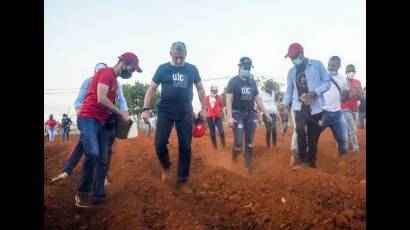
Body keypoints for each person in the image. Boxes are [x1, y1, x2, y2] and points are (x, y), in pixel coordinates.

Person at [74, 53, 141, 208]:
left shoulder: (116, 83)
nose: (131, 72)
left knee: (103, 158)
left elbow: (117, 102)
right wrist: (120, 113)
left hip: (105, 122)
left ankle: (99, 194)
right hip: (90, 118)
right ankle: (82, 192)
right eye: (132, 68)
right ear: (124, 63)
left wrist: (121, 117)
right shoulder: (104, 74)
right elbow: (101, 99)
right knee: (92, 153)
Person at [141, 41, 206, 193]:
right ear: (170, 54)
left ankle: (182, 180)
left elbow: (200, 89)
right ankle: (165, 165)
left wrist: (204, 108)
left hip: (185, 112)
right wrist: (146, 109)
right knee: (159, 143)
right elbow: (152, 88)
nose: (178, 60)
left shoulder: (192, 69)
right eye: (176, 57)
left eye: (181, 57)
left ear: (186, 55)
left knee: (185, 146)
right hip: (165, 111)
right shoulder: (163, 69)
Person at [52, 62, 129, 187]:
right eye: (97, 72)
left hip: (107, 120)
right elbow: (78, 101)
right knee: (87, 146)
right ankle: (68, 171)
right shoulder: (88, 81)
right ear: (94, 72)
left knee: (106, 150)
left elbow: (122, 100)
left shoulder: (116, 82)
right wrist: (84, 115)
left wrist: (124, 115)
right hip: (90, 118)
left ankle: (102, 177)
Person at [279, 43, 331, 168]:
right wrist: (284, 103)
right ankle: (302, 158)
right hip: (299, 106)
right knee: (300, 130)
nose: (292, 60)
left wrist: (314, 93)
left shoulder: (317, 65)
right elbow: (289, 91)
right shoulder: (291, 72)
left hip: (315, 106)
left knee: (312, 136)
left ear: (301, 54)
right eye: (291, 58)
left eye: (294, 57)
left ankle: (311, 161)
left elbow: (328, 83)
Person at [226, 57, 272, 173]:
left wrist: (265, 113)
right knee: (238, 142)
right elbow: (228, 101)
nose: (247, 70)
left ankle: (247, 167)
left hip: (250, 114)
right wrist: (229, 117)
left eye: (248, 68)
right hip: (237, 114)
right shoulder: (233, 82)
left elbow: (257, 99)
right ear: (239, 67)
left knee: (250, 143)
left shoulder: (252, 82)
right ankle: (234, 160)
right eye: (245, 67)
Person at [320, 56, 349, 155]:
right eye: (329, 65)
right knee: (312, 136)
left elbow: (345, 96)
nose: (330, 67)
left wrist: (346, 94)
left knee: (343, 139)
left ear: (339, 66)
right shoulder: (322, 77)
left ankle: (343, 161)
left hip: (337, 114)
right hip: (322, 113)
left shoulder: (343, 80)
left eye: (333, 65)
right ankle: (307, 157)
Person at [341, 64, 362, 152]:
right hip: (345, 108)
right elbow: (340, 97)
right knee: (353, 128)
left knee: (347, 128)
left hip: (354, 109)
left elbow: (360, 96)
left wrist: (356, 95)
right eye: (349, 71)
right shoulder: (342, 82)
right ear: (346, 72)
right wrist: (347, 95)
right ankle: (355, 147)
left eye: (353, 71)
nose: (351, 73)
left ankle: (342, 144)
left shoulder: (358, 82)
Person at [259, 80, 279, 148]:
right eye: (269, 88)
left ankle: (274, 144)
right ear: (266, 87)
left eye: (271, 88)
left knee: (273, 128)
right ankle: (268, 145)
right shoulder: (261, 93)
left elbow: (274, 103)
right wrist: (260, 112)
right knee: (269, 129)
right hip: (265, 114)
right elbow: (258, 103)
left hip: (274, 113)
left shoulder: (273, 93)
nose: (270, 89)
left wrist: (277, 112)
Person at [205, 85, 226, 149]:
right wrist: (205, 114)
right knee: (212, 133)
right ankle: (215, 147)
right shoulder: (206, 98)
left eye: (216, 91)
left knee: (221, 131)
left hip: (218, 116)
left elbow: (222, 107)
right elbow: (205, 107)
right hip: (209, 117)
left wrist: (225, 115)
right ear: (211, 91)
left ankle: (224, 145)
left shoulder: (219, 97)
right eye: (214, 91)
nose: (215, 92)